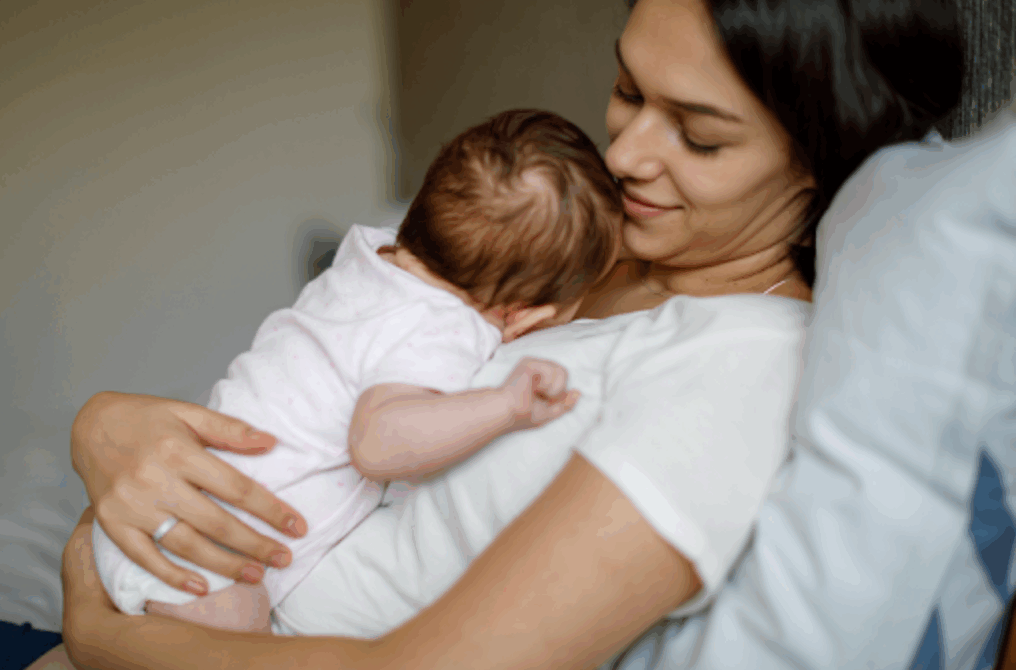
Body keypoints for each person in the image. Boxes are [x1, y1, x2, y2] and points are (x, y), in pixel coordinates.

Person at [48, 0, 967, 667]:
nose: (625, 155)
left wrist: (113, 641)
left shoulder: (744, 370)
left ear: (817, 156)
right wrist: (103, 431)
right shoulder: (586, 250)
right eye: (626, 89)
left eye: (699, 136)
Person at [90, 108, 620, 632]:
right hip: (207, 552)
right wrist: (506, 405)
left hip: (158, 510)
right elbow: (378, 442)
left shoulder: (368, 258)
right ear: (523, 315)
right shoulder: (443, 326)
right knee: (240, 647)